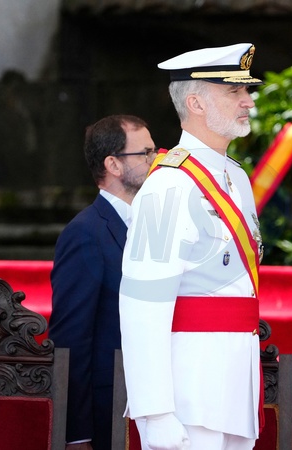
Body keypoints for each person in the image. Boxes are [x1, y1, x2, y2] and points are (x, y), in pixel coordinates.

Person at [119, 43, 264, 450]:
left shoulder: (236, 177)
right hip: (188, 395)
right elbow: (142, 304)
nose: (248, 101)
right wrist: (154, 411)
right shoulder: (169, 184)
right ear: (196, 103)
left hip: (233, 388)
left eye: (246, 90)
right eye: (234, 91)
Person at [49, 115, 156, 450]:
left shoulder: (154, 225)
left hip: (151, 401)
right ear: (114, 165)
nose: (155, 160)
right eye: (145, 153)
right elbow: (71, 337)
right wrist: (76, 434)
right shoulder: (85, 232)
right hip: (108, 411)